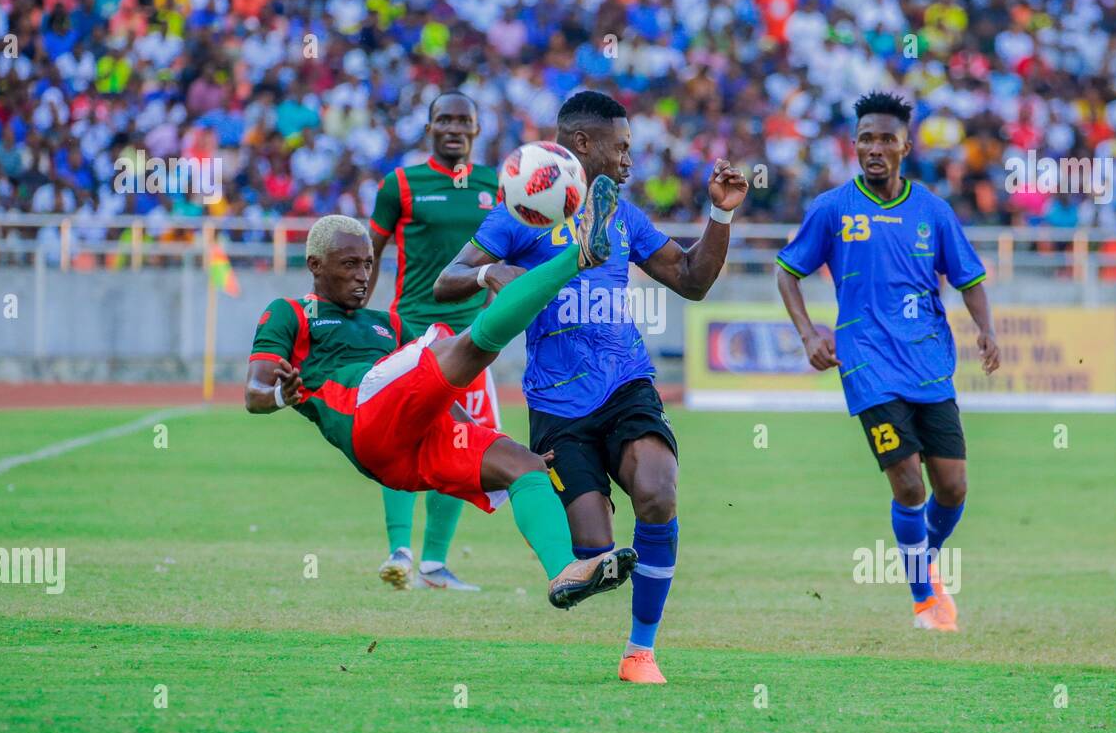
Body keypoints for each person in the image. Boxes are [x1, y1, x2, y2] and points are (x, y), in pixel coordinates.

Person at [435, 90, 749, 683]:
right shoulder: (523, 212)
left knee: (657, 491)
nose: (630, 160)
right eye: (622, 147)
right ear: (583, 144)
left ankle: (640, 653)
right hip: (557, 407)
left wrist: (722, 215)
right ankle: (585, 567)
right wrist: (487, 271)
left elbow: (691, 279)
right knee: (593, 552)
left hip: (626, 383)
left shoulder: (625, 217)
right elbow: (447, 280)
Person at [244, 183, 636, 611]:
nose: (362, 276)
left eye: (369, 264)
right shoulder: (292, 312)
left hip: (406, 455)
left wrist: (484, 438)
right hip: (362, 416)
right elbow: (255, 393)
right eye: (350, 264)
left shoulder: (387, 324)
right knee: (458, 346)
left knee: (521, 463)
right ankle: (580, 256)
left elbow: (435, 393)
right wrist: (281, 396)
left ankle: (564, 572)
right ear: (315, 265)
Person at [775, 91, 1001, 632]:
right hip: (866, 364)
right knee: (908, 485)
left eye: (885, 139)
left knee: (953, 487)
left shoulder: (932, 212)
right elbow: (787, 273)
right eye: (865, 139)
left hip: (929, 363)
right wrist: (808, 334)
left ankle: (925, 559)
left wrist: (987, 330)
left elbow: (968, 278)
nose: (874, 148)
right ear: (855, 145)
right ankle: (925, 600)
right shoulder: (832, 210)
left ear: (906, 145)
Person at [367, 91, 500, 592]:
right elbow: (370, 249)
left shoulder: (496, 186)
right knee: (400, 436)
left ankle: (434, 565)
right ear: (428, 128)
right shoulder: (400, 184)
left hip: (472, 338)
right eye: (443, 119)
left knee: (459, 442)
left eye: (463, 120)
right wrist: (362, 308)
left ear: (476, 129)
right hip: (411, 332)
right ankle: (399, 550)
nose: (453, 128)